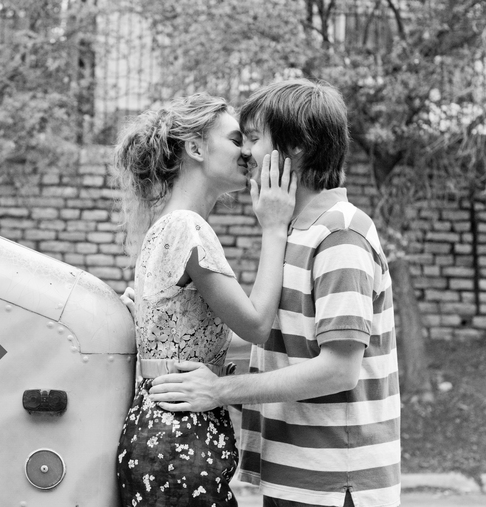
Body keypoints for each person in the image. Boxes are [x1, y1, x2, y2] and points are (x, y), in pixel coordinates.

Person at [149, 78, 401, 507]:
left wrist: (220, 390)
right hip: (294, 476)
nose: (245, 152)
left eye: (252, 138)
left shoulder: (340, 233)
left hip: (336, 483)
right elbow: (288, 350)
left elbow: (339, 371)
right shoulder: (293, 232)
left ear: (297, 146)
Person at [113, 92, 296, 506]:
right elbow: (257, 325)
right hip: (178, 440)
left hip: (167, 435)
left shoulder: (169, 225)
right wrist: (274, 227)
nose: (247, 152)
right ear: (196, 148)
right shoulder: (186, 228)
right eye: (235, 140)